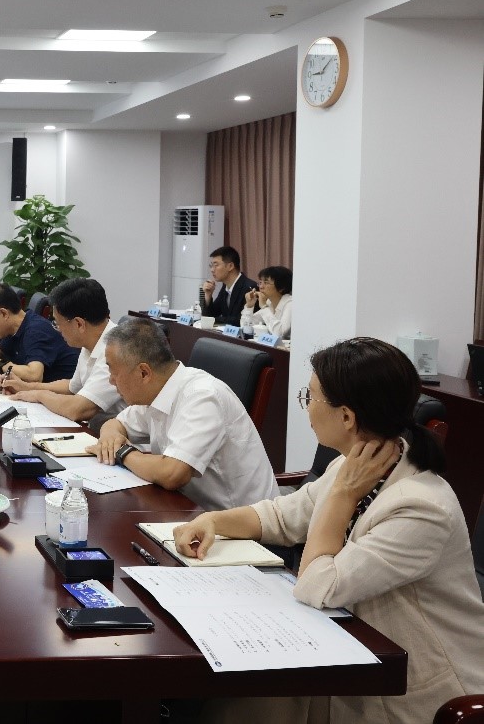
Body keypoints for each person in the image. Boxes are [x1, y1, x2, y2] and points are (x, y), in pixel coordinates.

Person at [176, 338, 484, 724]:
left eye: (310, 396)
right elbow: (282, 516)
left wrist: (341, 496)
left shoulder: (420, 507)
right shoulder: (354, 467)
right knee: (230, 703)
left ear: (347, 417)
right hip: (348, 652)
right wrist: (213, 521)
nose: (306, 406)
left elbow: (317, 585)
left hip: (412, 693)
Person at [89, 318, 279, 510]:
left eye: (114, 372)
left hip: (244, 520)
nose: (111, 381)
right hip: (191, 509)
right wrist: (110, 439)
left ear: (144, 373)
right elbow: (115, 424)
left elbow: (172, 474)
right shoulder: (156, 389)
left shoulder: (203, 396)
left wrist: (122, 452)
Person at [0, 277, 125, 429]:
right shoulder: (91, 340)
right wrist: (26, 386)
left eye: (57, 323)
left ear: (79, 324)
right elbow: (72, 388)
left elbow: (77, 409)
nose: (57, 330)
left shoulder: (115, 351)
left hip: (114, 437)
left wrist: (38, 395)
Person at [0, 282, 77, 383]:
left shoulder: (36, 330)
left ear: (4, 314)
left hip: (65, 393)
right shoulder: (14, 327)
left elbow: (34, 376)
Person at [200, 246, 258, 327]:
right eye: (211, 266)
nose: (212, 270)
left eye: (216, 265)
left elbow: (240, 320)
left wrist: (215, 319)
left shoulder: (250, 287)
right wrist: (208, 295)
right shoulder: (225, 287)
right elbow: (210, 316)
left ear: (230, 266)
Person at [240, 265, 293, 339]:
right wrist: (249, 306)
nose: (261, 287)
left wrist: (264, 307)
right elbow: (246, 329)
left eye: (266, 283)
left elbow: (279, 333)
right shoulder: (269, 302)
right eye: (260, 282)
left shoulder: (290, 304)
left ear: (281, 287)